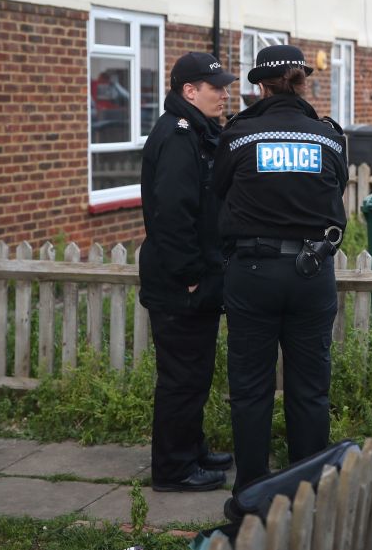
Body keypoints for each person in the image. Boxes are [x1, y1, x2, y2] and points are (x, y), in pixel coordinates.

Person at [213, 44, 348, 494]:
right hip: (313, 272)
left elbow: (218, 191)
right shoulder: (328, 136)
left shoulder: (239, 136)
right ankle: (307, 491)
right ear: (303, 81)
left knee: (251, 388)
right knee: (310, 389)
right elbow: (336, 191)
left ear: (259, 86)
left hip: (252, 272)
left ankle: (251, 491)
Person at [139, 52, 238, 492]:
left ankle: (190, 449)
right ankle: (174, 469)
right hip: (180, 285)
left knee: (194, 373)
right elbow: (172, 215)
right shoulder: (178, 137)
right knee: (181, 377)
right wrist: (190, 274)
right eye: (215, 87)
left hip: (190, 281)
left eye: (225, 86)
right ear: (189, 91)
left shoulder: (195, 131)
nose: (224, 94)